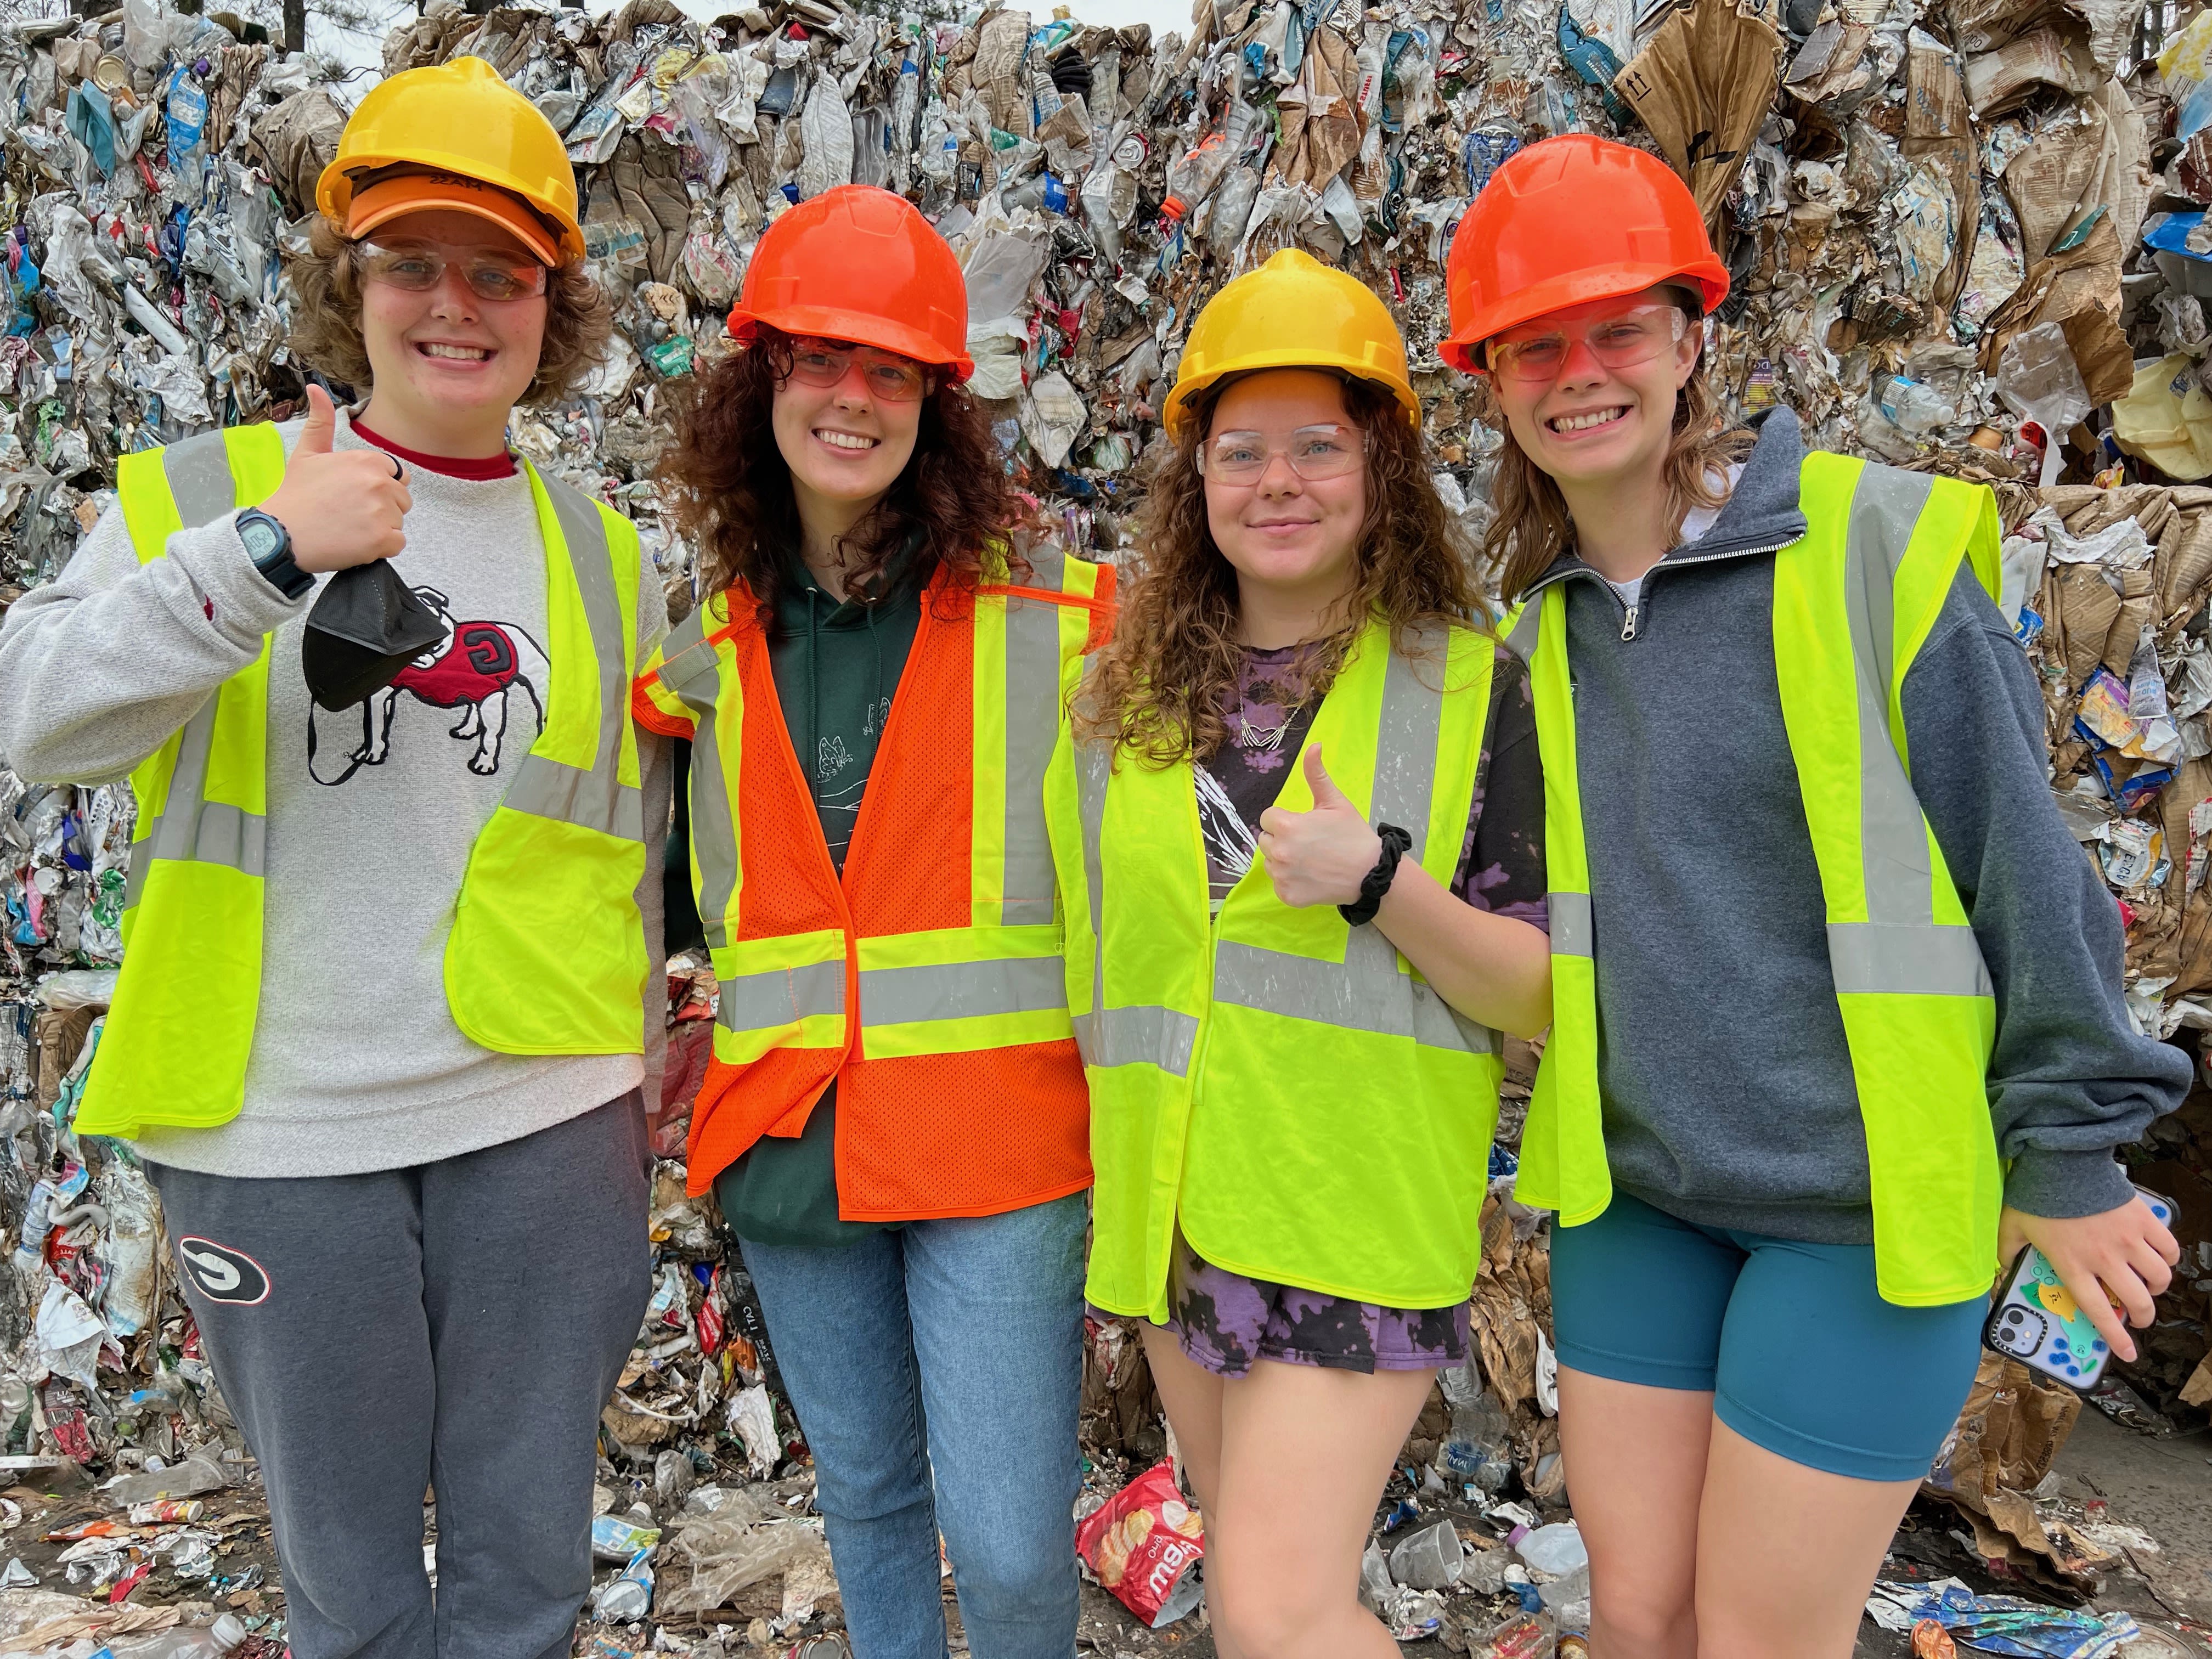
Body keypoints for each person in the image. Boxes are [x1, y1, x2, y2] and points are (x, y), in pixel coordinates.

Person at [1440, 133, 2190, 1657]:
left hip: (1856, 1218)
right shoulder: (1534, 637)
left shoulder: (1875, 547)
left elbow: (2024, 871)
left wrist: (2067, 1150)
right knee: (1639, 1623)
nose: (1581, 371)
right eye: (1537, 344)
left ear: (1691, 337)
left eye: (1619, 329)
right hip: (1639, 1198)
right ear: (1494, 379)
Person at [0, 60, 666, 1659]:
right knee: (355, 1602)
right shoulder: (212, 495)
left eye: (502, 271)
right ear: (346, 283)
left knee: (527, 1588)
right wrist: (270, 556)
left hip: (545, 1123)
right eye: (413, 263)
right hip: (280, 1132)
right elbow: (37, 720)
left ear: (551, 306)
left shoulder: (599, 546)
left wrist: (658, 1023)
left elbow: (622, 829)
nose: (458, 306)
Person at [1054, 249, 1554, 1658]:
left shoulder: (1471, 683)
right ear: (1196, 479)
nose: (1278, 482)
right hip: (1179, 1222)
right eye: (1242, 451)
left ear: (1383, 468)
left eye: (1318, 448)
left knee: (1275, 1618)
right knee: (1278, 1606)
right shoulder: (1118, 702)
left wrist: (1384, 881)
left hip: (1352, 1216)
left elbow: (1539, 992)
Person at [636, 184, 1114, 1659]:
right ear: (761, 382)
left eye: (889, 370)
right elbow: (651, 849)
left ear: (936, 400)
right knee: (868, 1499)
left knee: (1018, 1542)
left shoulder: (1063, 605)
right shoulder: (705, 625)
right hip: (792, 1134)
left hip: (1000, 1143)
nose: (852, 399)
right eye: (817, 363)